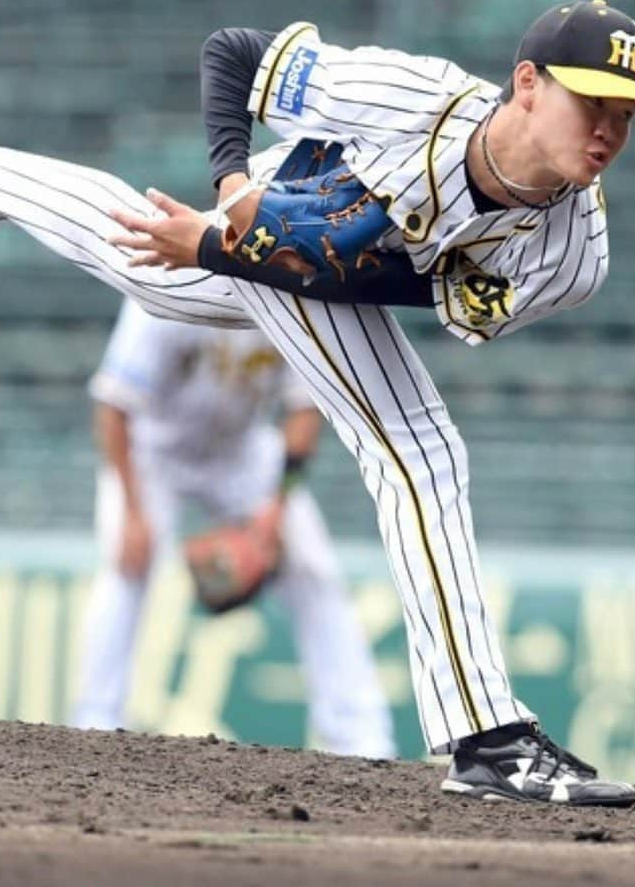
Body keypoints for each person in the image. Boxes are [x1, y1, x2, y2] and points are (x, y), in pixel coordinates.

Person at [0, 0, 635, 807]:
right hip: (290, 193)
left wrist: (226, 251)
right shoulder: (414, 98)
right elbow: (234, 54)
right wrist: (230, 205)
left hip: (304, 247)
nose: (609, 129)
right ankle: (486, 739)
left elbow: (392, 285)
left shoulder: (573, 256)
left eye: (626, 114)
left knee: (155, 276)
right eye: (592, 99)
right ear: (526, 84)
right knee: (420, 453)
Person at [71, 297, 396, 759]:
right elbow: (113, 407)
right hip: (153, 450)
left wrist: (275, 509)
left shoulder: (296, 290)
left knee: (313, 569)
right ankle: (95, 724)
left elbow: (305, 409)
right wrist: (133, 514)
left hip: (241, 452)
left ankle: (362, 741)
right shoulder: (169, 285)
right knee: (126, 568)